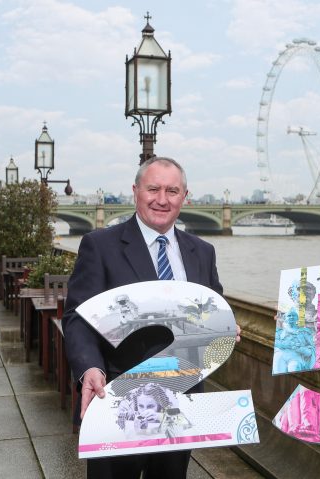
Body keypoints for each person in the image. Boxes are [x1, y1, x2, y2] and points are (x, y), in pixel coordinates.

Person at [62, 156, 225, 479]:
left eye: (172, 191)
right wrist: (89, 368)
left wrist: (223, 333)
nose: (162, 199)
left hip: (181, 402)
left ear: (185, 196)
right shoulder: (100, 245)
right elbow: (78, 318)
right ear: (135, 191)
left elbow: (214, 312)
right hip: (119, 401)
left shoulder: (202, 251)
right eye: (153, 189)